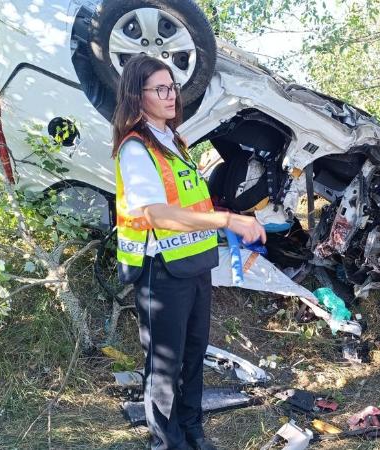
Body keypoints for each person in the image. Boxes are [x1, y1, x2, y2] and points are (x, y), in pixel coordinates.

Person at [111, 55, 265, 450]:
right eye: (160, 89)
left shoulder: (173, 141)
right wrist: (228, 222)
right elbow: (155, 213)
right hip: (160, 272)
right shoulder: (136, 148)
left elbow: (190, 204)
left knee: (194, 354)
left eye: (172, 87)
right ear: (136, 95)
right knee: (164, 368)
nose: (171, 95)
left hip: (194, 265)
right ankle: (168, 443)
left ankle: (193, 433)